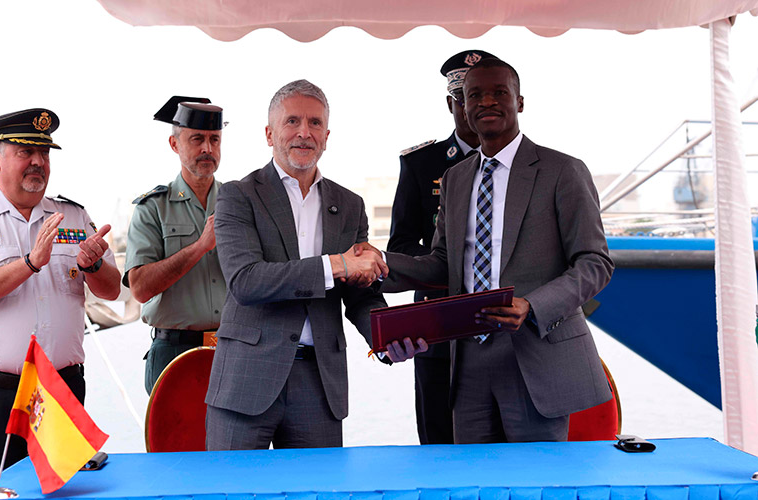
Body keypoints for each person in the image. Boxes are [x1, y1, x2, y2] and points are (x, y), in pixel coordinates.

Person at [381, 58, 614, 443]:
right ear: (463, 107)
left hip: (536, 353)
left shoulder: (563, 171)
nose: (487, 102)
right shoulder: (456, 178)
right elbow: (443, 265)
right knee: (473, 482)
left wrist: (533, 306)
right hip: (468, 361)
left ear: (519, 102)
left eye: (499, 93)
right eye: (475, 95)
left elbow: (595, 263)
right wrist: (379, 266)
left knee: (535, 485)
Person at [204, 79, 424, 451]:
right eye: (292, 122)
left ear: (326, 135)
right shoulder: (237, 196)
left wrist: (386, 340)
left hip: (319, 384)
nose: (304, 133)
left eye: (315, 123)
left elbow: (359, 295)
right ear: (269, 134)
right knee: (231, 493)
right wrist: (336, 264)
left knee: (319, 495)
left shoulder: (350, 205)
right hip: (247, 382)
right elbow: (246, 282)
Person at [0, 108, 121, 492]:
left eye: (45, 153)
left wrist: (95, 264)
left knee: (62, 494)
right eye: (25, 151)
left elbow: (111, 290)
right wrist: (31, 262)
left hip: (62, 392)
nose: (38, 162)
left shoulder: (73, 215)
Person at [388, 49, 495, 446]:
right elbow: (399, 243)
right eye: (467, 99)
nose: (476, 109)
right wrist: (449, 266)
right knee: (439, 442)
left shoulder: (524, 165)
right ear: (452, 103)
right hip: (438, 324)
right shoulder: (422, 163)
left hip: (501, 323)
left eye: (488, 97)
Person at [124, 96, 227, 394]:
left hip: (232, 350)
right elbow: (140, 288)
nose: (207, 149)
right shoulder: (152, 207)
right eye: (197, 139)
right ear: (174, 144)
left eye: (214, 139)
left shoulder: (239, 204)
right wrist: (199, 247)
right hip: (174, 353)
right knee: (174, 442)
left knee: (236, 443)